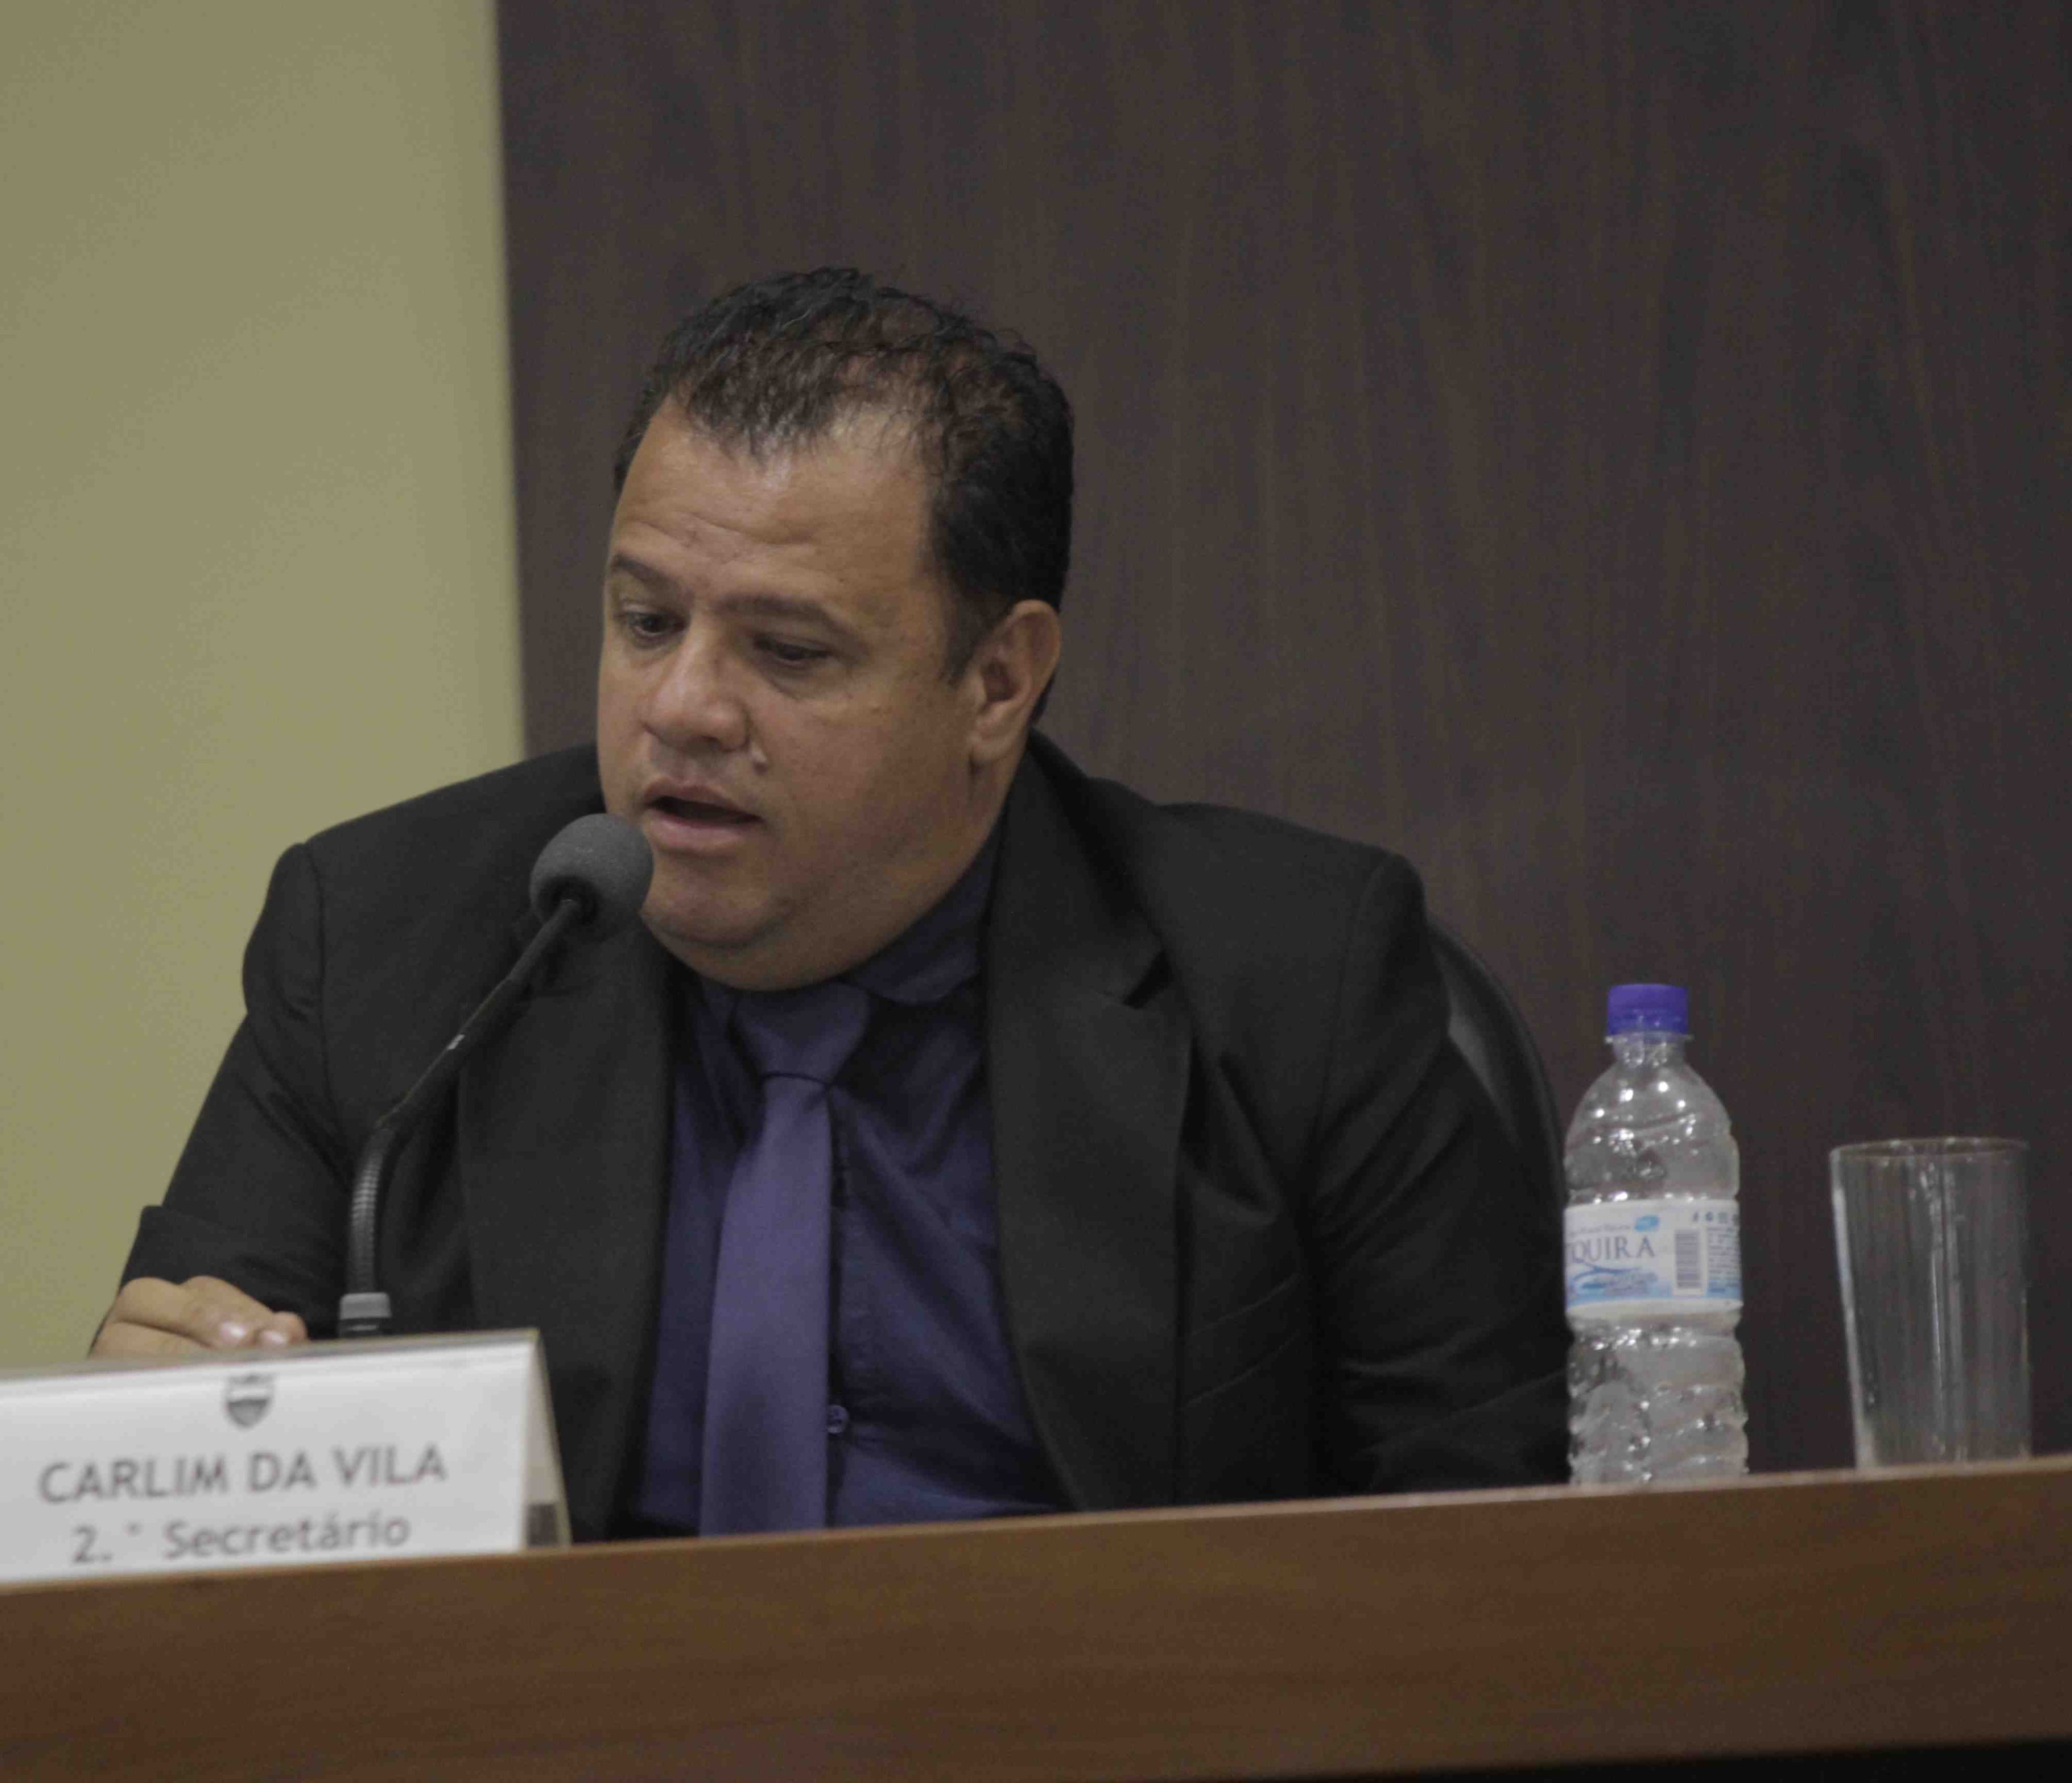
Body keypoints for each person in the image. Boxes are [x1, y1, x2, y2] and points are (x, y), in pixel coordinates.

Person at [96, 268, 1566, 1539]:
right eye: (646, 620)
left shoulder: (1294, 981)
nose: (682, 707)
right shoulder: (384, 947)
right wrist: (155, 1451)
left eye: (787, 651)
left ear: (997, 682)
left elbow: (1488, 1563)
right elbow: (182, 1512)